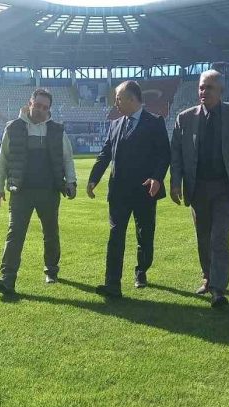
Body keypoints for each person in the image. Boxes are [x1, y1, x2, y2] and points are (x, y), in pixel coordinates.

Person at [169, 70, 229, 307]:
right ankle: (207, 278)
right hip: (197, 188)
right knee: (203, 238)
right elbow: (176, 154)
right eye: (201, 87)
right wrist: (175, 182)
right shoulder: (184, 118)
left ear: (220, 90)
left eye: (209, 87)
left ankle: (218, 289)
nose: (203, 92)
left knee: (219, 237)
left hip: (224, 188)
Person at [87, 81, 171, 298]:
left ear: (132, 99)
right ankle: (112, 284)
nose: (115, 102)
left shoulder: (154, 122)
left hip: (145, 191)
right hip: (119, 193)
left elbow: (164, 154)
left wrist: (157, 178)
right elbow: (105, 154)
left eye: (118, 98)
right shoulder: (115, 124)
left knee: (145, 235)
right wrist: (93, 178)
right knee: (115, 236)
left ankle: (141, 271)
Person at [0, 89, 78, 295]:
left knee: (51, 233)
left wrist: (71, 182)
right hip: (20, 192)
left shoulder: (57, 130)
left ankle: (51, 271)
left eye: (44, 107)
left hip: (49, 191)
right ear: (30, 103)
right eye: (37, 105)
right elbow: (2, 160)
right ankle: (7, 279)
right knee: (15, 235)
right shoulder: (12, 128)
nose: (40, 110)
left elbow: (67, 158)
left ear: (49, 109)